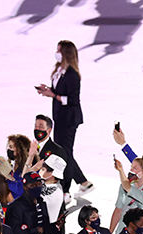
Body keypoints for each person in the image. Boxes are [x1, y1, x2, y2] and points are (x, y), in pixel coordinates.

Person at [36, 41, 92, 197]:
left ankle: (67, 189)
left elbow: (73, 99)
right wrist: (49, 91)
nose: (56, 53)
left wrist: (54, 95)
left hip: (69, 119)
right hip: (60, 117)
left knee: (64, 154)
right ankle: (83, 182)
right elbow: (60, 92)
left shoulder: (72, 74)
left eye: (59, 50)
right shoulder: (60, 71)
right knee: (64, 152)